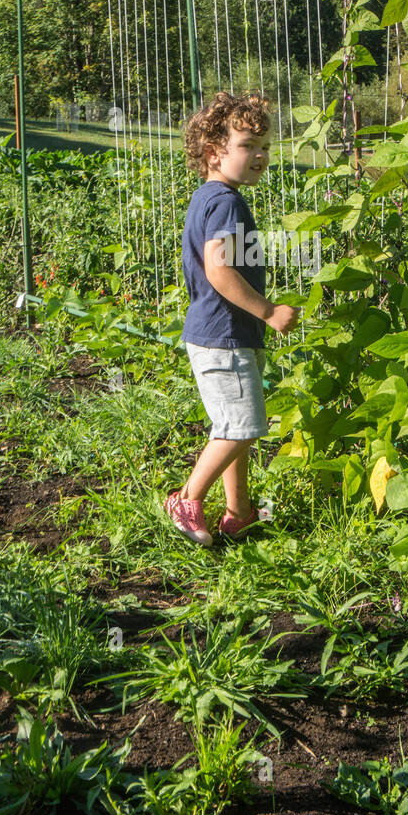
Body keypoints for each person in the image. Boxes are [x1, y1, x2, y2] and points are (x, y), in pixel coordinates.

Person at [165, 90, 300, 546]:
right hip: (224, 336)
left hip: (225, 334)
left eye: (265, 146)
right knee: (245, 426)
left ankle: (239, 513)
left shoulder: (211, 197)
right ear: (213, 152)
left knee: (235, 425)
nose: (260, 155)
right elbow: (219, 270)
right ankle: (186, 498)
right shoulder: (226, 203)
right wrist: (270, 311)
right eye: (247, 145)